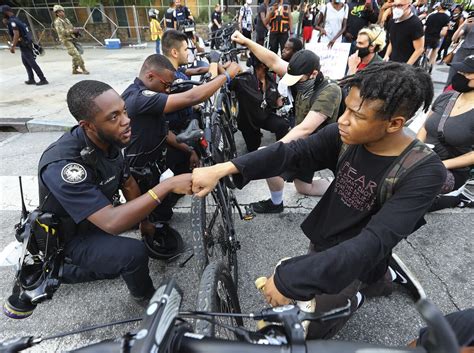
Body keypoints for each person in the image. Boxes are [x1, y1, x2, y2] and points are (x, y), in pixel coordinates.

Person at [191, 61, 446, 339]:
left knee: (309, 326)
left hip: (359, 252)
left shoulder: (424, 171)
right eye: (345, 108)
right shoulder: (346, 135)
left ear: (394, 123)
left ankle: (361, 293)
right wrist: (225, 168)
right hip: (328, 233)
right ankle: (379, 280)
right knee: (359, 276)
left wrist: (290, 279)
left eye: (356, 115)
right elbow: (292, 153)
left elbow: (372, 243)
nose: (343, 119)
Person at [35, 80, 192, 306]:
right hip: (70, 237)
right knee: (133, 254)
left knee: (150, 211)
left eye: (124, 111)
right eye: (113, 117)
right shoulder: (64, 165)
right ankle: (146, 297)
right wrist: (166, 186)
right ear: (87, 126)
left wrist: (144, 222)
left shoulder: (106, 140)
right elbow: (111, 222)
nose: (127, 121)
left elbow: (127, 183)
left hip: (94, 216)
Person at [122, 54, 240, 243]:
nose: (168, 91)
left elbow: (164, 132)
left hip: (158, 160)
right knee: (157, 219)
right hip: (140, 171)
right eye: (166, 85)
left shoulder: (149, 95)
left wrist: (189, 151)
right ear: (150, 76)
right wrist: (226, 76)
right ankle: (141, 223)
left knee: (186, 165)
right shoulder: (138, 97)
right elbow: (193, 96)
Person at [232, 31, 341, 211]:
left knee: (268, 159)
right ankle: (341, 188)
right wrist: (246, 41)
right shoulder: (301, 76)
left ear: (314, 74)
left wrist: (274, 150)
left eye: (297, 80)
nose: (293, 83)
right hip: (306, 140)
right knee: (304, 187)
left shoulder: (329, 91)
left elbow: (306, 128)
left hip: (319, 146)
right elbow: (273, 61)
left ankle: (276, 204)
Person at [417, 55, 474, 211]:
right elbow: (425, 126)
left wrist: (442, 164)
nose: (459, 75)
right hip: (425, 158)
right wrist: (418, 151)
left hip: (451, 169)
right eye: (460, 70)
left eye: (466, 73)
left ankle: (454, 199)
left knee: (412, 189)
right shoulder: (446, 97)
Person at [230, 53, 290, 152]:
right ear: (262, 64)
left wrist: (278, 100)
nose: (273, 63)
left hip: (264, 115)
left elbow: (274, 97)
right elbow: (227, 83)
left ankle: (281, 152)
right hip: (249, 121)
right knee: (253, 149)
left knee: (282, 125)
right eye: (270, 61)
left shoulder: (270, 77)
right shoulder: (244, 79)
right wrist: (223, 68)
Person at [1, 5, 48, 85]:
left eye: (2, 13)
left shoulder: (12, 22)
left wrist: (13, 46)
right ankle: (31, 79)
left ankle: (43, 79)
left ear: (6, 12)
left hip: (24, 44)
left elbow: (16, 34)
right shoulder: (17, 19)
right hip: (27, 43)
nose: (2, 15)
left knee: (32, 63)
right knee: (26, 62)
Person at [383, 0, 424, 65]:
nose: (396, 8)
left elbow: (419, 49)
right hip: (392, 64)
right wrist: (386, 55)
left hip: (408, 67)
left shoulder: (415, 23)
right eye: (394, 5)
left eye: (400, 5)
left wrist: (406, 67)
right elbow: (392, 41)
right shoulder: (392, 22)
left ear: (409, 6)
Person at [53, 5, 89, 75]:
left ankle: (74, 70)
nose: (61, 13)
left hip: (72, 38)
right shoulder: (57, 22)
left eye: (61, 11)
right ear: (56, 14)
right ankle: (83, 69)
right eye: (58, 12)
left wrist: (77, 32)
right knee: (77, 54)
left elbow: (71, 27)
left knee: (75, 54)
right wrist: (73, 31)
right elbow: (62, 32)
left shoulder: (66, 20)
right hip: (66, 40)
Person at [446, 12, 474, 86]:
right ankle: (446, 94)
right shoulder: (468, 25)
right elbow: (454, 38)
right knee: (452, 74)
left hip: (472, 56)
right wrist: (463, 24)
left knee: (468, 79)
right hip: (463, 52)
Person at [423, 0, 450, 71]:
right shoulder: (447, 18)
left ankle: (421, 61)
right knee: (435, 50)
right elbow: (443, 32)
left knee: (423, 50)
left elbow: (424, 28)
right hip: (436, 38)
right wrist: (440, 36)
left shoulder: (431, 16)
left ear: (440, 6)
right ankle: (430, 65)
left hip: (426, 36)